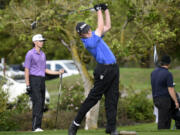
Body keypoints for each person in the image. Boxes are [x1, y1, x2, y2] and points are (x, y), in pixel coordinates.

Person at [68, 3, 119, 135]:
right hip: (103, 70)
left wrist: (106, 9)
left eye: (89, 29)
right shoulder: (89, 42)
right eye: (86, 31)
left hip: (113, 69)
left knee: (112, 99)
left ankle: (111, 128)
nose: (89, 31)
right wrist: (98, 11)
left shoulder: (94, 35)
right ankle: (75, 125)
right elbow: (101, 26)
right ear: (82, 35)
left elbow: (107, 26)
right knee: (93, 98)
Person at [24, 34, 64, 132]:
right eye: (40, 41)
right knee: (37, 102)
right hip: (34, 80)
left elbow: (45, 69)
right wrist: (28, 84)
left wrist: (58, 72)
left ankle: (38, 126)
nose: (42, 42)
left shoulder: (43, 54)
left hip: (42, 80)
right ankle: (35, 127)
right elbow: (26, 70)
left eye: (42, 41)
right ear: (35, 42)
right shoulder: (30, 54)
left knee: (41, 103)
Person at [151, 55, 180, 129]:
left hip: (155, 98)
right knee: (163, 122)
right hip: (164, 99)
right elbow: (171, 89)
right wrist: (176, 101)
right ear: (169, 63)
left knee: (167, 118)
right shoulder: (168, 74)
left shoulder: (153, 72)